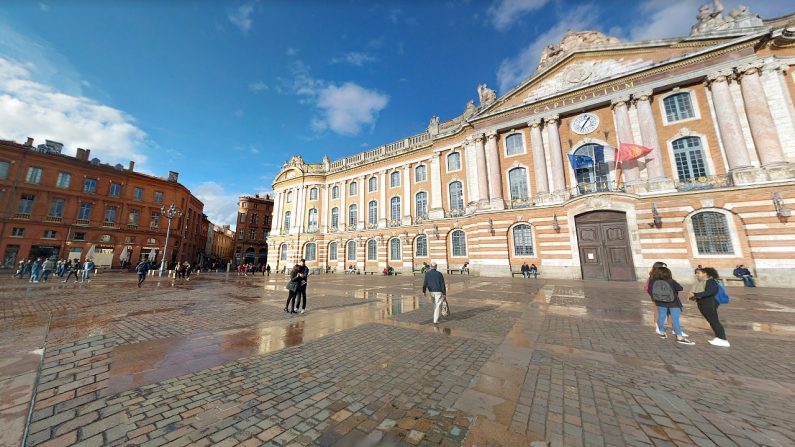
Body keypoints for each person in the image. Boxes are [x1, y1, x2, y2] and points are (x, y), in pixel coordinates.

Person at [648, 266, 694, 345]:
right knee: (675, 319)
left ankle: (662, 332)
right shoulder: (671, 281)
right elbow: (680, 288)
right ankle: (679, 337)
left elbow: (649, 291)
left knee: (661, 317)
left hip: (660, 302)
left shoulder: (652, 281)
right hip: (673, 302)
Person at [689, 267, 730, 347]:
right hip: (706, 303)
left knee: (714, 321)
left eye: (699, 273)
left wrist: (696, 294)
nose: (697, 275)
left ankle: (723, 339)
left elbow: (710, 292)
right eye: (696, 273)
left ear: (705, 274)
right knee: (712, 321)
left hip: (709, 303)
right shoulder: (705, 282)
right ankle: (719, 337)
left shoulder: (710, 281)